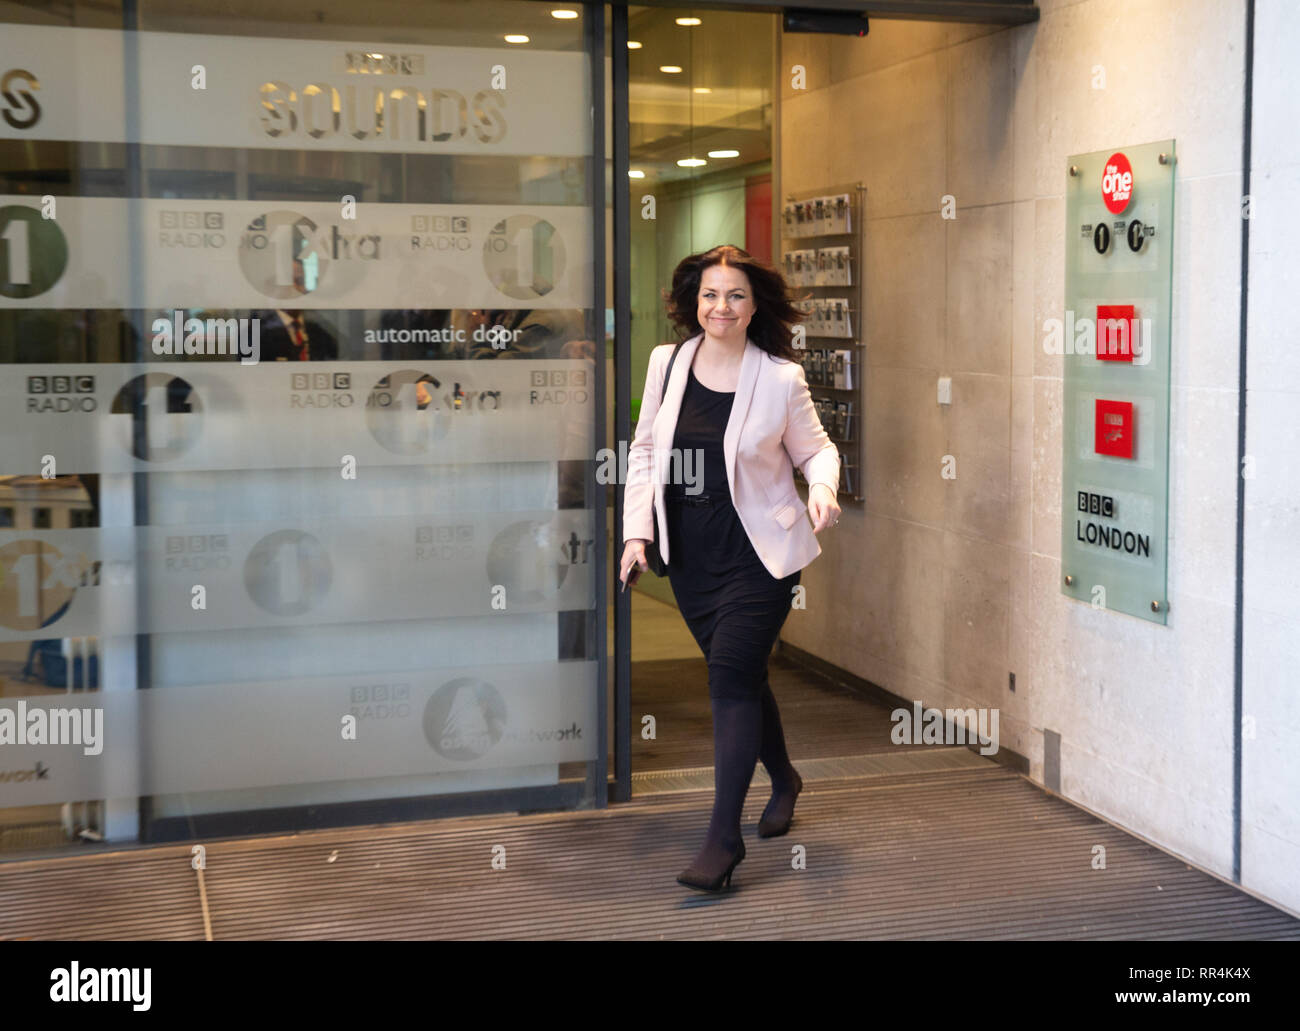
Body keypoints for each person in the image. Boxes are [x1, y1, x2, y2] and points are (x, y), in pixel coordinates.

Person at [620, 244, 842, 893]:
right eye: (710, 294)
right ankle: (786, 777)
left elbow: (817, 450)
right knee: (741, 677)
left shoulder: (778, 376)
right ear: (694, 301)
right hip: (691, 556)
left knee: (729, 678)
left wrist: (822, 488)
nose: (722, 306)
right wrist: (638, 533)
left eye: (736, 295)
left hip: (759, 558)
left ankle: (723, 838)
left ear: (754, 305)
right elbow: (645, 452)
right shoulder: (668, 363)